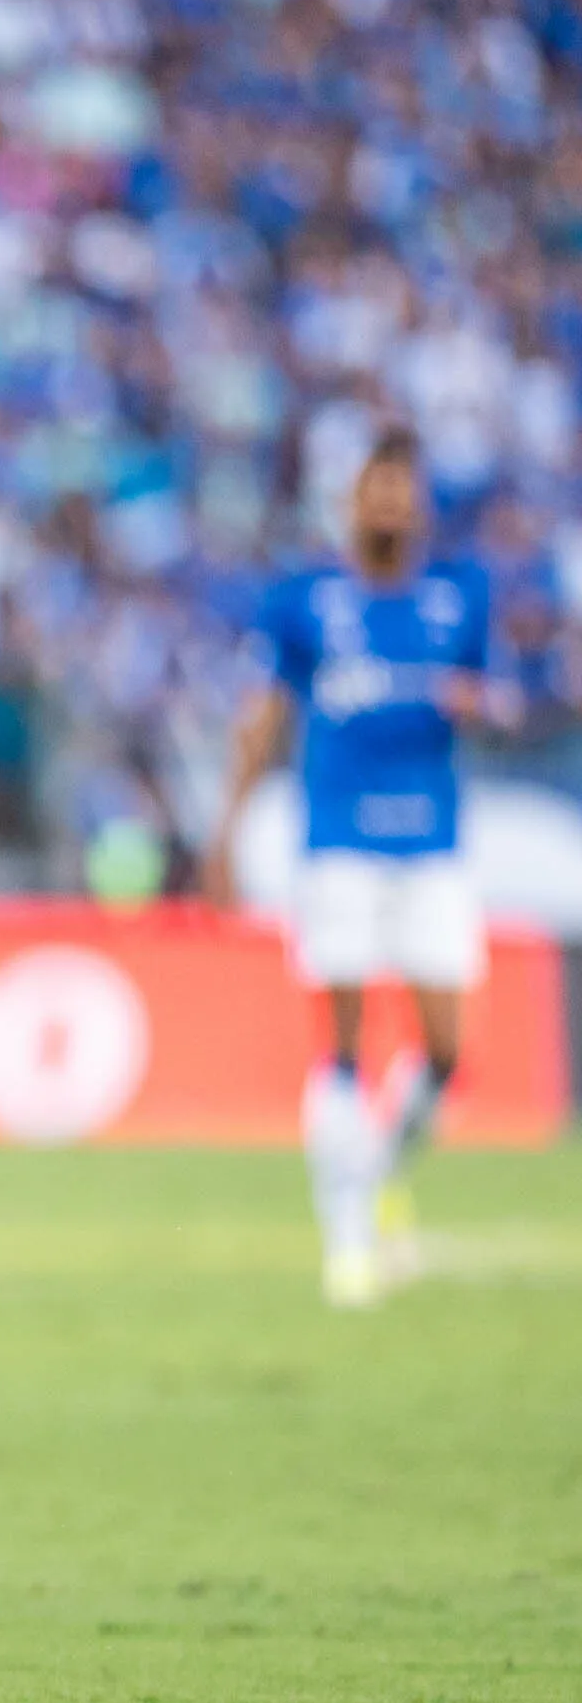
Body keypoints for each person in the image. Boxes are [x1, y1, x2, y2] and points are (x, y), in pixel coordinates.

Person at [209, 429, 518, 1308]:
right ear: (350, 503)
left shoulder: (462, 599)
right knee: (341, 1041)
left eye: (400, 491)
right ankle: (347, 1239)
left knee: (448, 1050)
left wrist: (480, 705)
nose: (387, 505)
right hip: (338, 842)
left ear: (419, 504)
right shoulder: (303, 602)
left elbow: (492, 700)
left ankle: (373, 1175)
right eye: (372, 490)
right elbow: (261, 718)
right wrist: (227, 831)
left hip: (433, 844)